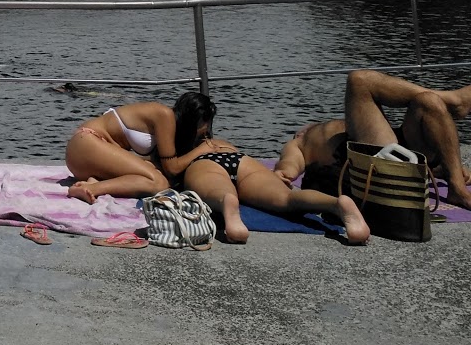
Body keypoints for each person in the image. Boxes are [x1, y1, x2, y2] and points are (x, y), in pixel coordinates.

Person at [165, 95, 369, 244]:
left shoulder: (177, 144)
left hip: (204, 165)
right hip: (240, 160)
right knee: (289, 200)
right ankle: (336, 204)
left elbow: (171, 170)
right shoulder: (218, 141)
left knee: (220, 192)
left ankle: (227, 204)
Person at [273, 69, 471, 209]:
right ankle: (454, 101)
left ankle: (456, 187)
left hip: (398, 149)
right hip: (369, 157)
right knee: (359, 81)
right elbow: (289, 163)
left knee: (428, 102)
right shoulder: (298, 142)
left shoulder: (342, 126)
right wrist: (285, 172)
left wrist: (446, 167)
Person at [64, 95, 192, 202]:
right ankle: (93, 189)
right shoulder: (165, 114)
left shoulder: (167, 124)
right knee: (159, 183)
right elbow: (172, 168)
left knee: (154, 173)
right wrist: (203, 149)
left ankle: (92, 183)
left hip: (84, 155)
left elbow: (160, 166)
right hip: (87, 142)